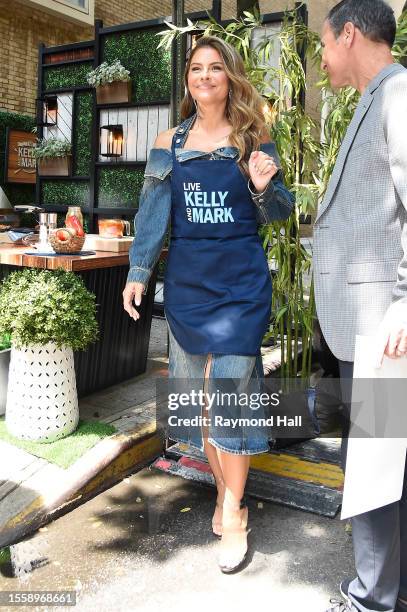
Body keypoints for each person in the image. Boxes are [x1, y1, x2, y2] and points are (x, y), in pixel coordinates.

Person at [122, 35, 294, 574]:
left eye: (215, 68)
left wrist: (264, 187)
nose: (204, 76)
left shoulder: (253, 136)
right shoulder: (166, 140)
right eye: (196, 68)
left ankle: (233, 509)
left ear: (229, 76)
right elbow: (153, 214)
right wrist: (138, 272)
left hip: (240, 285)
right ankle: (225, 489)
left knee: (232, 395)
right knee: (200, 399)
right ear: (189, 80)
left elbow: (281, 213)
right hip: (190, 287)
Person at [313, 1, 407, 610]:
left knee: (374, 459)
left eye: (323, 45)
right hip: (371, 325)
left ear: (350, 34)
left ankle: (372, 596)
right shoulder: (379, 96)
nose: (321, 60)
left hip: (382, 325)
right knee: (385, 454)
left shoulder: (398, 97)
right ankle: (391, 590)